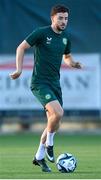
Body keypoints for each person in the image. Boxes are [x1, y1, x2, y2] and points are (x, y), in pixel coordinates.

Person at [10, 4, 83, 172]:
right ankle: (49, 145)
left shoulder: (65, 38)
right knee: (58, 113)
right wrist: (19, 69)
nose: (64, 21)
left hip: (55, 84)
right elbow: (21, 47)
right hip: (39, 83)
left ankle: (39, 157)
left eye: (66, 18)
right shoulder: (41, 33)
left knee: (53, 121)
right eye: (60, 18)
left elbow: (67, 56)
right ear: (52, 18)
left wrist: (73, 63)